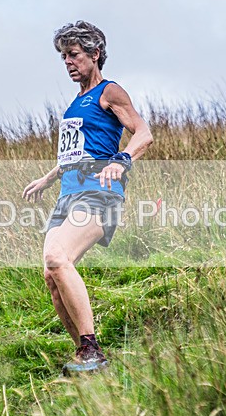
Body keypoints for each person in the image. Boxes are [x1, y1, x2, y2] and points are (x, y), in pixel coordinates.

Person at [23, 21, 153, 375]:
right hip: (67, 196)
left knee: (56, 256)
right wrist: (48, 178)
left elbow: (144, 133)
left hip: (99, 193)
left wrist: (122, 160)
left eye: (74, 54)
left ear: (95, 54)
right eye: (64, 56)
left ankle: (93, 351)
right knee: (52, 274)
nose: (67, 61)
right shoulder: (76, 102)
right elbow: (74, 154)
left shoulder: (109, 92)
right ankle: (85, 355)